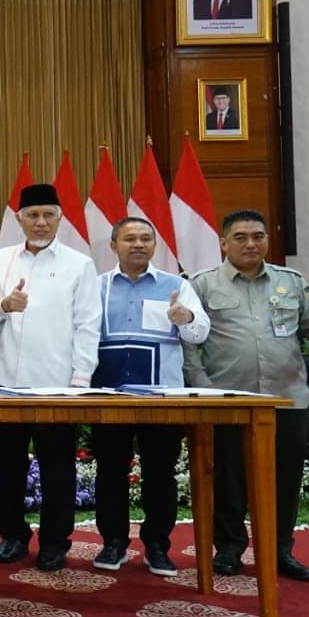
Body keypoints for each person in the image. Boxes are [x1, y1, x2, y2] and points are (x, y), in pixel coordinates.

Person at [183, 208, 309, 581]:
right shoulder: (203, 285)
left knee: (284, 479)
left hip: (284, 398)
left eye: (258, 236)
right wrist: (203, 386)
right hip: (228, 400)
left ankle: (279, 552)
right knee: (229, 478)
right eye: (240, 237)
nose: (250, 243)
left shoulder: (292, 281)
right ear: (223, 243)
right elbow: (187, 342)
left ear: (268, 240)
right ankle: (228, 549)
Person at [0, 183, 100, 572]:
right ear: (19, 219)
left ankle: (54, 541)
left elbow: (88, 325)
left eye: (48, 215)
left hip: (57, 386)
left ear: (59, 218)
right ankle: (12, 536)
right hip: (5, 386)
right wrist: (5, 304)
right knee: (6, 467)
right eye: (32, 215)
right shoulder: (1, 260)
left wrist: (79, 381)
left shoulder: (79, 263)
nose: (40, 222)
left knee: (57, 469)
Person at [90, 217, 210, 577]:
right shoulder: (96, 287)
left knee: (160, 473)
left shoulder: (177, 286)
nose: (138, 244)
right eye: (130, 239)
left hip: (161, 395)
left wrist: (185, 316)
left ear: (155, 246)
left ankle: (158, 545)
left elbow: (200, 333)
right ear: (114, 246)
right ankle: (113, 543)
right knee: (110, 471)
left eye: (146, 238)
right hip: (109, 394)